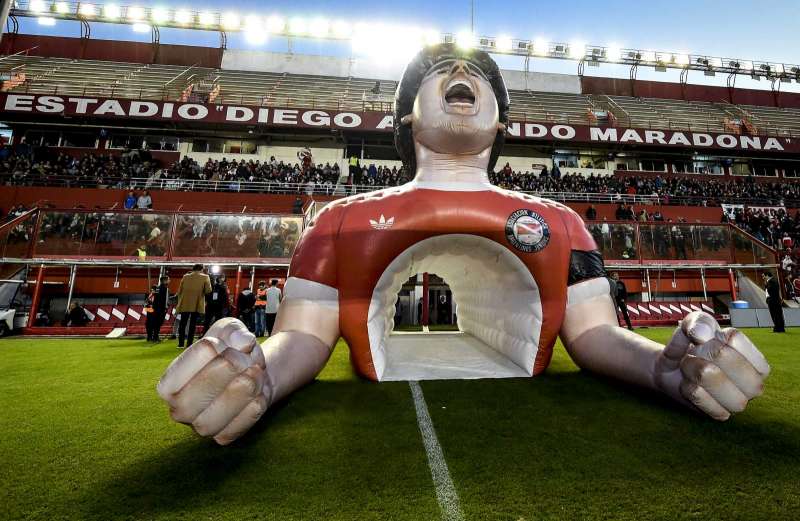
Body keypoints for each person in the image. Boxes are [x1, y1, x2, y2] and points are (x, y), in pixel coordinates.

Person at [175, 264, 212, 348]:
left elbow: (179, 290)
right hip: (197, 303)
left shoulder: (185, 276)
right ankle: (189, 344)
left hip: (185, 303)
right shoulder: (205, 277)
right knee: (192, 324)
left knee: (182, 323)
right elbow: (208, 290)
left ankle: (180, 344)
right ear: (201, 269)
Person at [151, 275, 170, 342]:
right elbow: (164, 300)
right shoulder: (165, 288)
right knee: (159, 323)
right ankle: (156, 337)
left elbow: (156, 299)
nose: (169, 281)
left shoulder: (157, 288)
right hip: (161, 309)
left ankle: (154, 337)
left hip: (155, 308)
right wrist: (165, 308)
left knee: (156, 323)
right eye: (168, 280)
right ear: (164, 281)